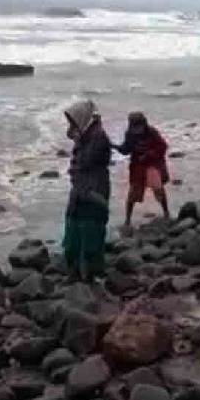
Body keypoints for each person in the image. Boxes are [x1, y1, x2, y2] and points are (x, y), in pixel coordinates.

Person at [63, 100, 113, 283]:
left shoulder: (98, 137)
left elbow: (85, 162)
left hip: (94, 190)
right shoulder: (85, 136)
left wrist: (78, 138)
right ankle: (74, 273)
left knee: (91, 234)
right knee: (72, 235)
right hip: (79, 191)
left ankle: (91, 277)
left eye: (73, 122)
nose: (71, 127)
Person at [115, 112, 170, 227]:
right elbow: (127, 149)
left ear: (144, 124)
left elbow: (163, 146)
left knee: (158, 189)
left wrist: (149, 155)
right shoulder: (129, 134)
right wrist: (117, 147)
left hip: (152, 164)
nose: (136, 130)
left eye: (138, 126)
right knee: (133, 193)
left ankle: (166, 213)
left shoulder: (152, 132)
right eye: (134, 127)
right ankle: (127, 220)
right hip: (138, 166)